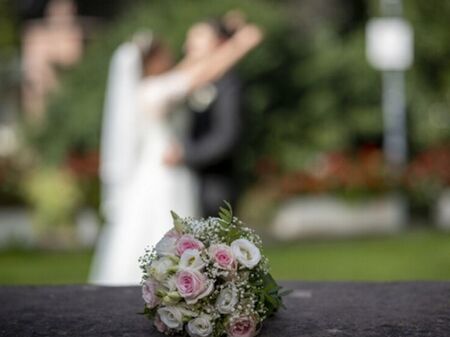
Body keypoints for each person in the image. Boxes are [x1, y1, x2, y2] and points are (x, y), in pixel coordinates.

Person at [89, 22, 263, 285]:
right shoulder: (155, 91)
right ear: (152, 61)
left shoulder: (154, 86)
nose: (174, 57)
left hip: (168, 170)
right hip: (163, 173)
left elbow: (190, 69)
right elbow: (202, 73)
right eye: (166, 54)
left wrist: (217, 36)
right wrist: (239, 44)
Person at [163, 17, 244, 217]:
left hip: (212, 184)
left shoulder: (228, 84)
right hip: (172, 179)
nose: (188, 46)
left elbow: (227, 135)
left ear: (219, 43)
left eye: (197, 38)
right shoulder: (183, 82)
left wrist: (186, 154)